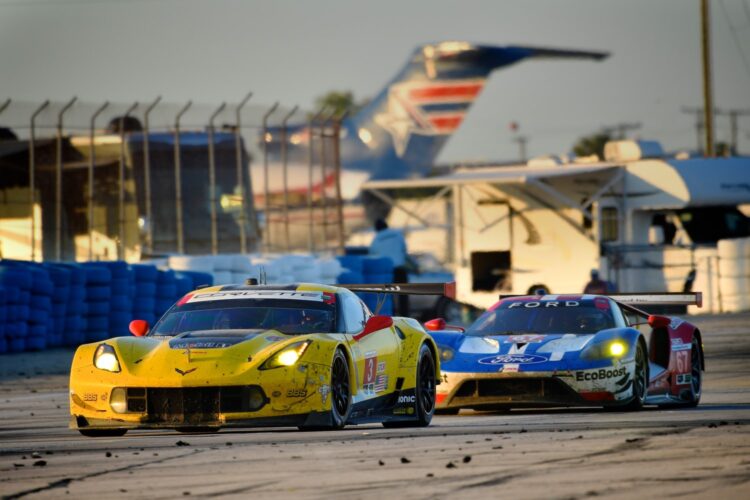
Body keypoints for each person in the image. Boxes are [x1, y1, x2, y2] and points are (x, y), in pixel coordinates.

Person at [370, 219, 409, 316]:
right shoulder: (398, 235)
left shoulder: (376, 239)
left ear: (377, 229)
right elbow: (404, 250)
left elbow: (373, 256)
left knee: (388, 297)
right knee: (404, 295)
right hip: (400, 269)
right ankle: (405, 316)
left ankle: (392, 317)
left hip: (386, 271)